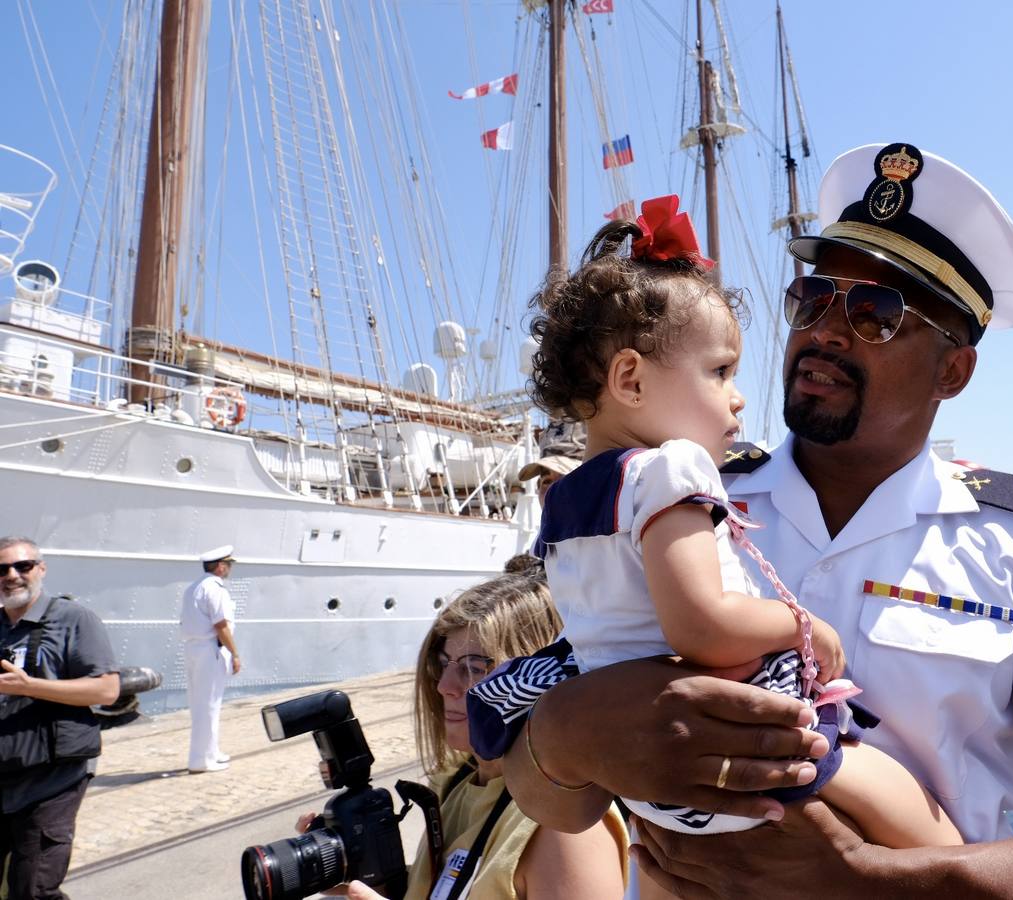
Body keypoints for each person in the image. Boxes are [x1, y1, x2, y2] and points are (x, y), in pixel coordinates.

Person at [496, 142, 1013, 898]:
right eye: (815, 298)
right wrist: (564, 737)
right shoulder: (670, 506)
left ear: (951, 370)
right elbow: (551, 802)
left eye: (876, 313)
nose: (826, 330)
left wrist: (876, 881)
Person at [471, 194, 962, 854]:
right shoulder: (675, 470)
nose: (738, 396)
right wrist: (806, 630)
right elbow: (703, 627)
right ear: (631, 380)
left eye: (876, 316)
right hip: (730, 731)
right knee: (885, 791)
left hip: (652, 786)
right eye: (720, 371)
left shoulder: (565, 504)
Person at [312, 569, 628, 900]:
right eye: (444, 663)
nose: (443, 686)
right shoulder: (458, 785)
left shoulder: (566, 822)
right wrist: (369, 879)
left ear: (532, 676)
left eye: (474, 668)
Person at [0, 537, 120, 900]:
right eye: (2, 569)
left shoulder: (74, 619)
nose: (12, 576)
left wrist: (29, 686)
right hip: (5, 773)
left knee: (33, 889)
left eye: (23, 566)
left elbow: (107, 690)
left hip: (51, 779)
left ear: (41, 568)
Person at [179, 545, 242, 774]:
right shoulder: (216, 589)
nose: (229, 570)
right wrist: (235, 653)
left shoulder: (193, 588)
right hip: (209, 650)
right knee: (209, 705)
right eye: (228, 565)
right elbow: (221, 625)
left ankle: (211, 752)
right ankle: (200, 761)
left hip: (194, 649)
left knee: (201, 704)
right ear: (221, 566)